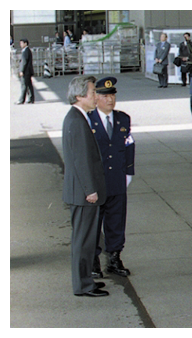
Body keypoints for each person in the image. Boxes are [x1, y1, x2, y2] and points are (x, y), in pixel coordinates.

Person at [62, 75, 108, 297]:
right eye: (92, 93)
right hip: (83, 193)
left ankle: (86, 280)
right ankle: (83, 285)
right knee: (83, 241)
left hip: (83, 192)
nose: (95, 97)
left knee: (88, 240)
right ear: (80, 96)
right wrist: (90, 190)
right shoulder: (76, 121)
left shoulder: (80, 117)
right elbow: (80, 160)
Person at [89, 77, 135, 278]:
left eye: (112, 95)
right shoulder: (88, 120)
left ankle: (114, 259)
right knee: (93, 222)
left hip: (117, 179)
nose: (110, 100)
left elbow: (129, 146)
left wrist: (129, 172)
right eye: (105, 96)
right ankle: (93, 262)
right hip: (96, 181)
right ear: (96, 98)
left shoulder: (123, 118)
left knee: (116, 221)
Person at [15, 38, 35, 105]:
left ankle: (21, 100)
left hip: (26, 71)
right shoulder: (26, 50)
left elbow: (24, 61)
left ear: (25, 43)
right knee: (29, 85)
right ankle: (31, 99)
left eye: (21, 43)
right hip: (28, 71)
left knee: (24, 85)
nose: (20, 44)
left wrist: (21, 70)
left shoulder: (26, 51)